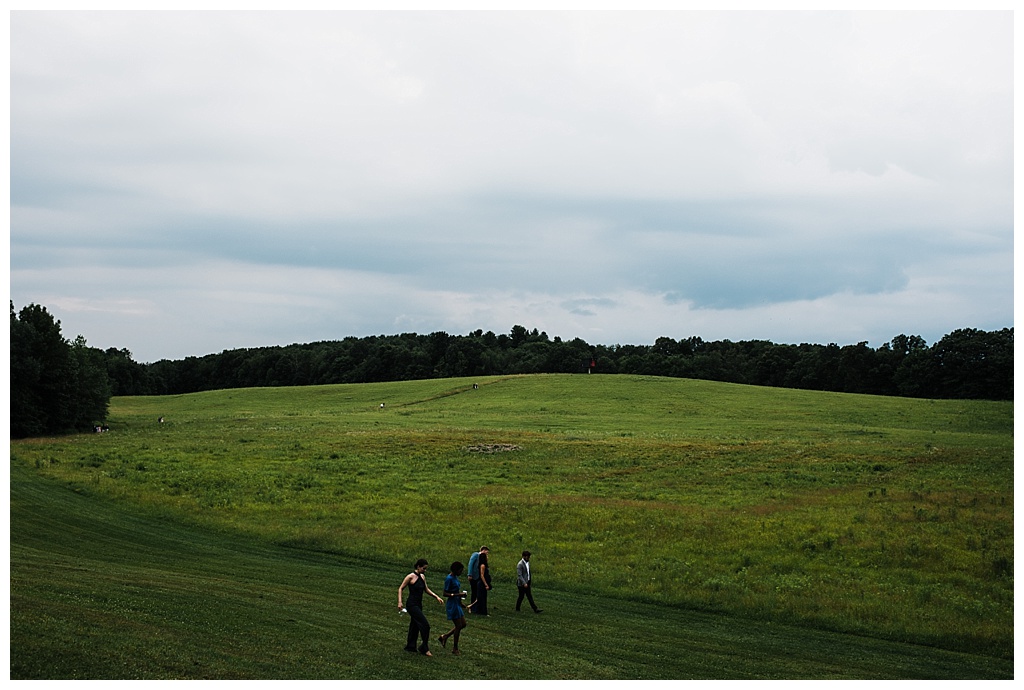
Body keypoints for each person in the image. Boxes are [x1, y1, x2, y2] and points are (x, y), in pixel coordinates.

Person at [398, 558, 443, 656]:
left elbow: (426, 589)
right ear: (418, 566)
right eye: (424, 568)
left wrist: (436, 596)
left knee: (415, 625)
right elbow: (401, 588)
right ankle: (424, 647)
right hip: (412, 604)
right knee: (425, 625)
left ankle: (411, 646)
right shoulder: (410, 577)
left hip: (419, 604)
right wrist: (400, 602)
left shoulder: (422, 577)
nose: (425, 570)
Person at [438, 561, 468, 655]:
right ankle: (455, 648)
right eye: (460, 570)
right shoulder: (449, 579)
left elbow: (456, 590)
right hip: (452, 604)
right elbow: (445, 593)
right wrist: (458, 594)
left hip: (456, 603)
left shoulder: (455, 578)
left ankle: (445, 636)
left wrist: (461, 602)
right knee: (458, 626)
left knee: (463, 624)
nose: (461, 572)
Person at [466, 546, 487, 614]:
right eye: (486, 552)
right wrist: (470, 574)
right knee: (474, 592)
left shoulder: (482, 559)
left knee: (478, 592)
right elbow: (471, 564)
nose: (487, 554)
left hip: (478, 577)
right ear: (483, 550)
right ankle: (472, 607)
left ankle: (477, 607)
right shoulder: (476, 555)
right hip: (474, 576)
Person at [475, 549, 492, 615]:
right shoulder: (482, 565)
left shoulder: (483, 565)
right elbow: (482, 575)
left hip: (482, 583)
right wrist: (486, 584)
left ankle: (481, 611)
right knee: (482, 598)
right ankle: (482, 611)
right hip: (481, 583)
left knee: (482, 597)